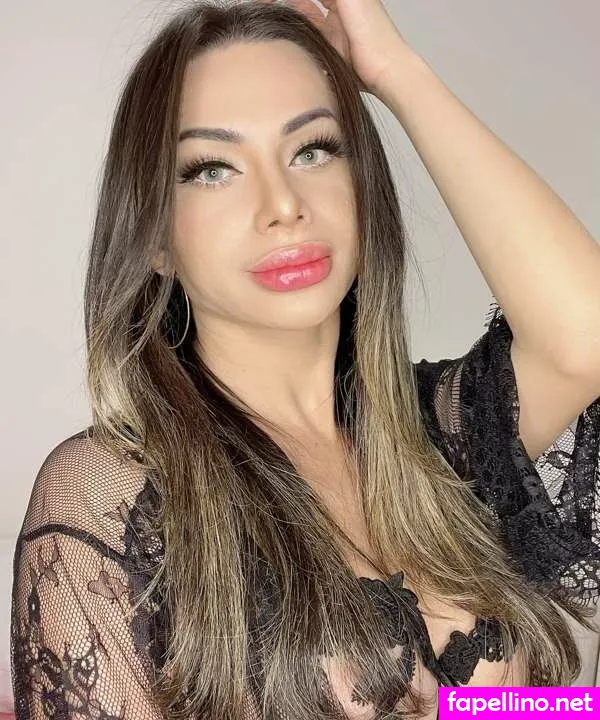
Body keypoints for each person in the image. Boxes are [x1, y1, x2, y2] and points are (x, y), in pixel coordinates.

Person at [9, 1, 600, 718]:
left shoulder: (439, 438)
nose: (283, 205)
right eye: (212, 169)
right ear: (155, 238)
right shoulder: (113, 499)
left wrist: (397, 73)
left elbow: (584, 338)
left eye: (312, 150)